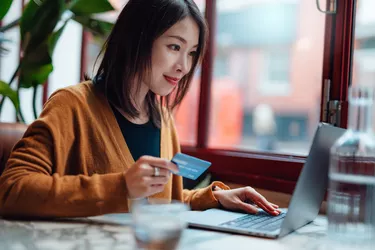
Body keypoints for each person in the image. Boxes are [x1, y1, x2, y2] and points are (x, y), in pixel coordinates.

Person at [0, 0, 280, 218]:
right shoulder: (70, 106)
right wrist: (120, 186)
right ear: (137, 39)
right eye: (174, 46)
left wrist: (214, 198)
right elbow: (11, 190)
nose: (184, 66)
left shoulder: (163, 119)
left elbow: (160, 203)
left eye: (192, 52)